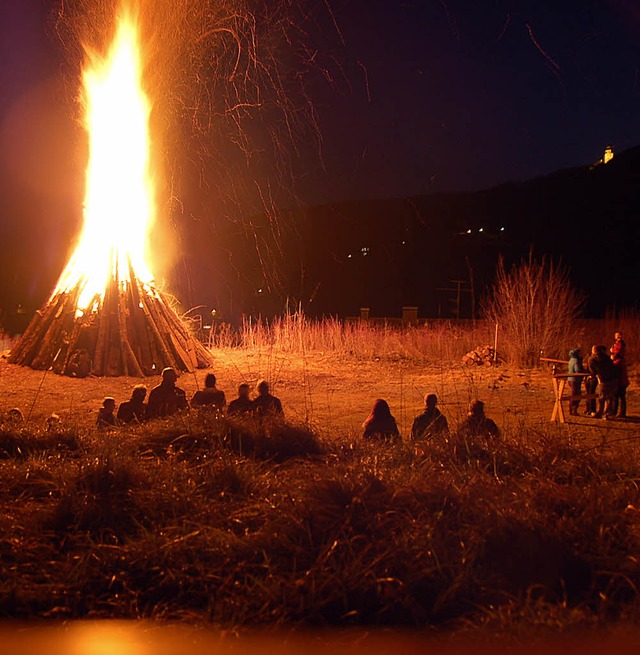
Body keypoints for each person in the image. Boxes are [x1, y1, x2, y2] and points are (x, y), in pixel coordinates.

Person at [588, 344, 618, 418]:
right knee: (609, 397)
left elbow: (593, 371)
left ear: (594, 351)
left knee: (602, 397)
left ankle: (600, 413)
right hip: (613, 379)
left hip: (603, 379)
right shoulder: (606, 357)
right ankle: (606, 413)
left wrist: (593, 375)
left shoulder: (593, 359)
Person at [611, 331, 629, 418]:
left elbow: (618, 351)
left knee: (619, 396)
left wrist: (613, 352)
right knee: (619, 397)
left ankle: (620, 412)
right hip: (621, 381)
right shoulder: (617, 344)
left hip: (620, 381)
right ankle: (618, 412)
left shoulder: (618, 362)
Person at [567, 348, 585, 416]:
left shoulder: (571, 359)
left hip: (571, 379)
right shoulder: (576, 361)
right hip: (575, 379)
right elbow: (578, 370)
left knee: (575, 394)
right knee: (576, 395)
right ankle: (572, 408)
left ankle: (572, 408)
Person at [584, 345, 599, 415]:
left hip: (592, 377)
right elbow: (588, 368)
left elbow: (595, 369)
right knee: (589, 393)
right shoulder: (591, 358)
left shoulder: (596, 359)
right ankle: (589, 408)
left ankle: (592, 409)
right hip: (589, 377)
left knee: (591, 393)